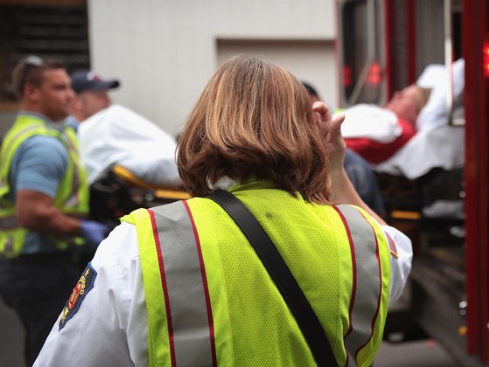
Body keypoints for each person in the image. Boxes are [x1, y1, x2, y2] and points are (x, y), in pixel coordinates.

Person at [35, 55, 412, 366]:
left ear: (202, 128)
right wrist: (334, 167)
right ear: (308, 133)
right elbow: (395, 248)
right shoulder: (363, 241)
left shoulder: (138, 245)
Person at [0, 56, 110, 366]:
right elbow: (32, 212)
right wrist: (82, 230)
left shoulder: (30, 132)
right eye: (60, 88)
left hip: (27, 264)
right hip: (42, 267)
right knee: (51, 354)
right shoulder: (42, 145)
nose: (70, 95)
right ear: (31, 92)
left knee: (43, 345)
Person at [68, 70, 181, 186]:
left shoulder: (107, 124)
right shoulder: (67, 135)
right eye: (100, 96)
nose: (108, 100)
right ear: (77, 101)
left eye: (106, 94)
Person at [303, 80, 385, 216]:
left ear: (312, 101)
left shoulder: (351, 168)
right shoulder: (351, 164)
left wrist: (335, 170)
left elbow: (365, 226)